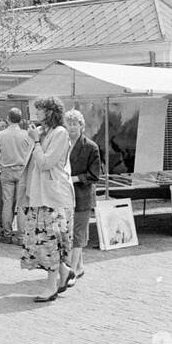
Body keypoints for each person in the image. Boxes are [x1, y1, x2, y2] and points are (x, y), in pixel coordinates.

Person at [21, 96, 75, 302]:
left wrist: (36, 141)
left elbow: (45, 162)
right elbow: (31, 160)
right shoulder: (47, 133)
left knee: (50, 241)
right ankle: (64, 271)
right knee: (43, 240)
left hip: (53, 197)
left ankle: (52, 285)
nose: (36, 114)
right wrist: (35, 138)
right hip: (41, 195)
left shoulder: (60, 133)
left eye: (40, 110)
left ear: (50, 112)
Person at [66, 109, 101, 282]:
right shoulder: (62, 143)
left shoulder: (91, 147)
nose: (71, 127)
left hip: (82, 196)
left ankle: (71, 272)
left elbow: (95, 175)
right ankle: (79, 267)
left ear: (81, 126)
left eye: (75, 124)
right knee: (70, 232)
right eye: (69, 123)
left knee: (78, 233)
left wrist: (74, 178)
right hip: (64, 196)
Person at [0, 108, 34, 244]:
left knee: (7, 203)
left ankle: (7, 234)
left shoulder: (1, 134)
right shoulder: (26, 134)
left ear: (8, 118)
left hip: (6, 170)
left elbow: (0, 149)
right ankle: (21, 236)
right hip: (21, 170)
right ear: (21, 119)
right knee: (22, 204)